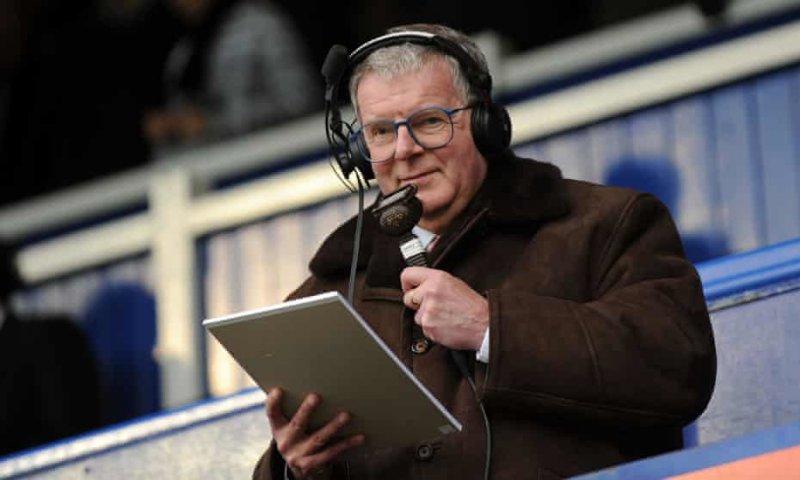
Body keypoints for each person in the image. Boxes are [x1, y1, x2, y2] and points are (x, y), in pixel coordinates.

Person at [253, 24, 716, 479]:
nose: (404, 150)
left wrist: (490, 326)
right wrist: (292, 467)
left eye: (429, 122)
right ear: (359, 151)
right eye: (380, 132)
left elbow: (677, 369)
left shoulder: (607, 224)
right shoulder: (324, 293)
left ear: (485, 124)